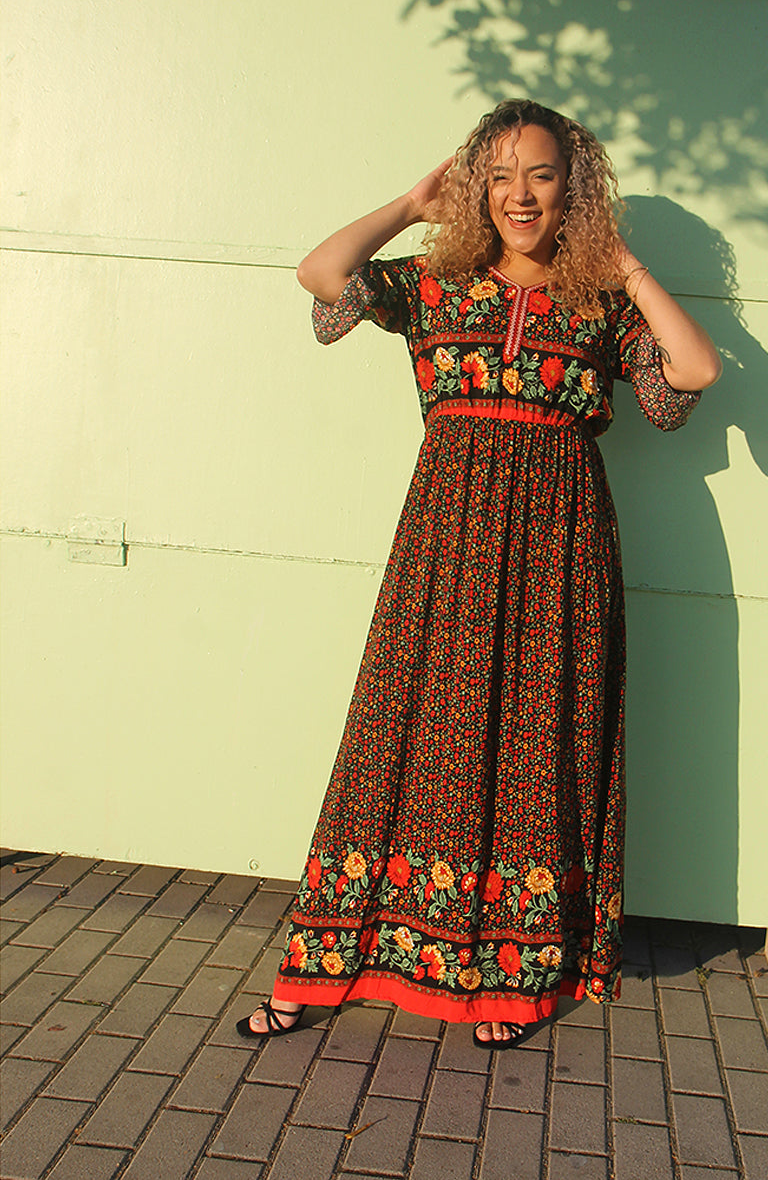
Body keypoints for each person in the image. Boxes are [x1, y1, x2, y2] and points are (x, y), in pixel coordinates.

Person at [237, 100, 721, 1048]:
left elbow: (692, 375)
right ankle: (322, 965)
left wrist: (623, 263)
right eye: (498, 176)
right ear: (476, 188)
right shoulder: (436, 284)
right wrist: (411, 204)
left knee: (535, 749)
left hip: (559, 555)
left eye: (540, 174)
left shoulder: (601, 306)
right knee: (401, 738)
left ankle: (505, 976)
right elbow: (321, 277)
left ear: (572, 188)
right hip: (445, 548)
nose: (519, 195)